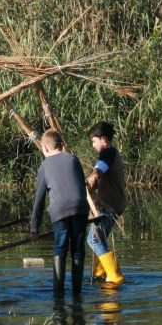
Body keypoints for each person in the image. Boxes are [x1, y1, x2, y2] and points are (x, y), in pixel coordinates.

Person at [29, 129, 89, 298]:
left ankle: (58, 294)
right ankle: (77, 293)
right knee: (78, 250)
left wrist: (34, 228)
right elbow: (80, 188)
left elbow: (39, 200)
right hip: (80, 208)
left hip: (60, 210)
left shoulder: (45, 166)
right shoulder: (73, 159)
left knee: (60, 248)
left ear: (45, 149)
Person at [85, 122, 125, 286]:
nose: (93, 145)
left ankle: (114, 276)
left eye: (94, 141)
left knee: (93, 240)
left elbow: (96, 175)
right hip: (115, 203)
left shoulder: (107, 153)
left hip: (108, 205)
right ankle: (101, 275)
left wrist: (85, 182)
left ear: (103, 139)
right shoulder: (111, 154)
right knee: (99, 238)